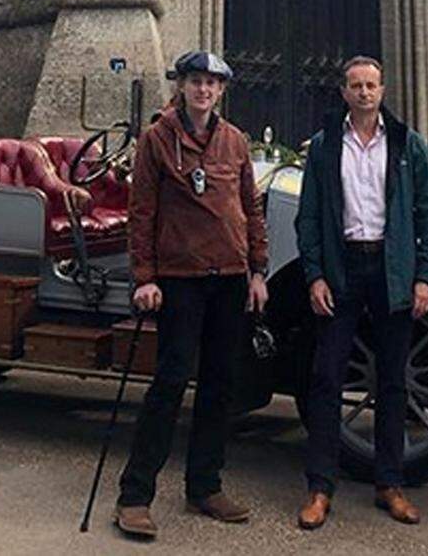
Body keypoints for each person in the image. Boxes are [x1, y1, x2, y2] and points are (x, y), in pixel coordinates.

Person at [114, 50, 268, 541]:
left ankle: (205, 484)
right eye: (196, 81)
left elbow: (251, 208)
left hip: (229, 276)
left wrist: (258, 271)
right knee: (170, 382)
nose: (203, 90)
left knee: (221, 384)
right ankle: (135, 496)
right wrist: (145, 278)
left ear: (221, 91)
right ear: (182, 86)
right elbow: (141, 212)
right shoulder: (157, 139)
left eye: (212, 83)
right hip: (179, 278)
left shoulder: (235, 141)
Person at [294, 56, 428, 530]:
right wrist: (315, 275)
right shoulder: (324, 146)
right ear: (343, 92)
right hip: (343, 269)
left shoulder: (405, 144)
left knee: (393, 381)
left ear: (383, 90)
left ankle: (389, 483)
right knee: (325, 379)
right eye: (355, 85)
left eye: (371, 85)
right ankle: (320, 487)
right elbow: (310, 217)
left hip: (390, 267)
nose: (363, 93)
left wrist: (425, 277)